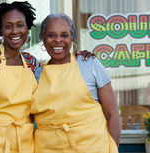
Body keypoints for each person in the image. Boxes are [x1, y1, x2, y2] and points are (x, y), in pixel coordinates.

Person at [0, 2, 94, 153]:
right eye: (8, 26)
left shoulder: (31, 62)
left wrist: (77, 55)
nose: (15, 31)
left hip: (26, 145)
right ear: (0, 30)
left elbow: (56, 73)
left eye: (20, 25)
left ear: (27, 28)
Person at [31, 13, 121, 153]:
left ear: (72, 38)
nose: (58, 40)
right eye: (51, 35)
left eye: (64, 35)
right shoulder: (36, 74)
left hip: (92, 147)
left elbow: (112, 114)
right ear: (43, 39)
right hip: (46, 148)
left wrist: (113, 149)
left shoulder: (89, 64)